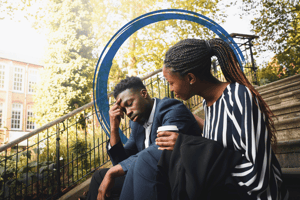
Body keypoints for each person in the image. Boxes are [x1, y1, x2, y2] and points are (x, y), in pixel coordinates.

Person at [159, 38, 289, 199]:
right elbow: (222, 143)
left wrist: (187, 146)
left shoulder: (238, 96)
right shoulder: (208, 104)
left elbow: (257, 176)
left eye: (171, 83)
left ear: (191, 78)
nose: (171, 90)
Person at [86, 76, 202, 200]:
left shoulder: (169, 108)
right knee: (99, 177)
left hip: (176, 179)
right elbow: (121, 162)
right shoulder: (136, 124)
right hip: (146, 175)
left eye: (129, 104)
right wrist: (114, 128)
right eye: (124, 110)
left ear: (144, 93)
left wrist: (113, 171)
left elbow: (161, 147)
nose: (128, 112)